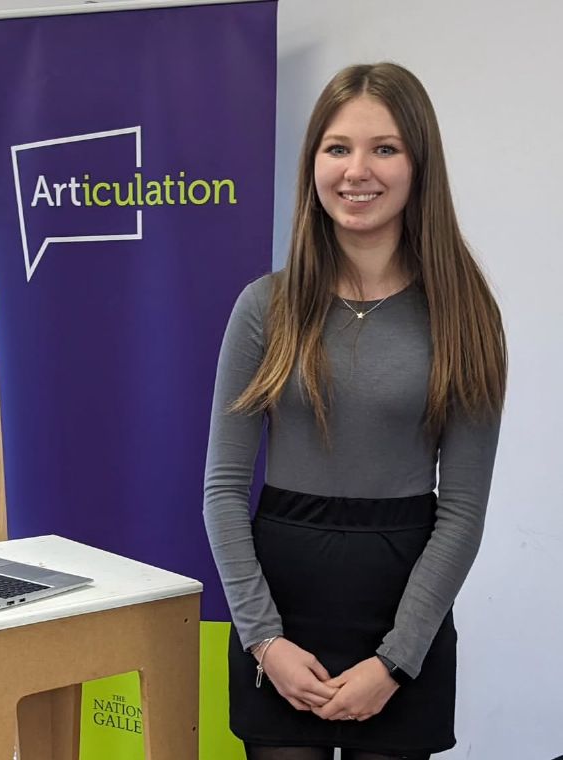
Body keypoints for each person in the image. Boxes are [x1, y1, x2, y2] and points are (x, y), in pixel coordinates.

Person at [203, 62, 506, 760]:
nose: (356, 170)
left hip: (404, 621)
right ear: (314, 161)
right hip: (279, 619)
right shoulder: (264, 308)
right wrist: (264, 640)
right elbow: (222, 492)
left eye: (385, 148)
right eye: (337, 147)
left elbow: (461, 512)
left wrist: (397, 660)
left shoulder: (464, 316)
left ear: (418, 163)